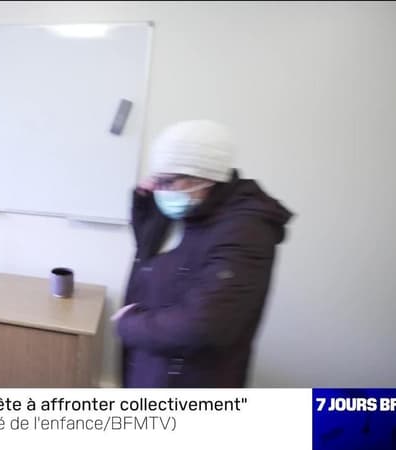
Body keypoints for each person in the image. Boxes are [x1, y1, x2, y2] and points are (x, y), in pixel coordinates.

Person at [113, 120, 292, 388]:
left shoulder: (246, 231)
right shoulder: (189, 205)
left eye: (167, 181)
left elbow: (202, 326)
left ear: (204, 177)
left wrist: (129, 324)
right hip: (152, 364)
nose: (158, 188)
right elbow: (151, 259)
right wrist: (143, 204)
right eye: (156, 179)